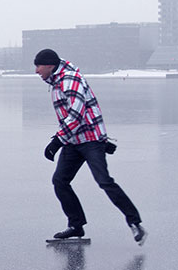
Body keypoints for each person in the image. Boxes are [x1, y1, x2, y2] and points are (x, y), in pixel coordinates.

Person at [34, 48, 146, 245]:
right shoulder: (57, 81)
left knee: (104, 181)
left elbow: (76, 114)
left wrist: (57, 141)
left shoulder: (70, 80)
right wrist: (62, 140)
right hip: (74, 140)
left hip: (90, 140)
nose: (36, 71)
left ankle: (135, 222)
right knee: (60, 181)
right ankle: (76, 225)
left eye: (39, 66)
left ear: (50, 66)